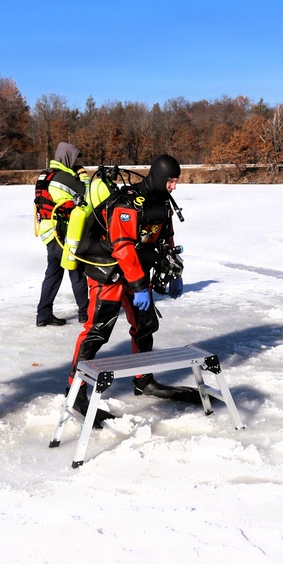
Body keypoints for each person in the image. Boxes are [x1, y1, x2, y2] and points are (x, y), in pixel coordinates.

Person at [68, 154, 192, 425]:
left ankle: (144, 380)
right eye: (170, 181)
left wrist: (175, 271)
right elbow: (122, 247)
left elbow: (166, 237)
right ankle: (76, 391)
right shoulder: (127, 202)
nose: (174, 187)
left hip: (135, 273)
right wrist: (139, 286)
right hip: (108, 272)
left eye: (176, 182)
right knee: (97, 330)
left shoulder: (162, 202)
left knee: (145, 325)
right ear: (159, 177)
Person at [34, 141, 90, 326]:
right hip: (63, 232)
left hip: (49, 233)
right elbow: (87, 197)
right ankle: (85, 314)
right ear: (67, 158)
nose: (76, 164)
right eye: (74, 160)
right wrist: (84, 178)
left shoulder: (45, 175)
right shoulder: (63, 178)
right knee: (77, 272)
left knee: (53, 273)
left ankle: (43, 315)